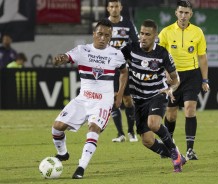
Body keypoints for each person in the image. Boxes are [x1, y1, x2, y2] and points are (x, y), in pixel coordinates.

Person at [51, 19, 128, 179]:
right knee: (57, 127)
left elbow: (124, 72)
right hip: (83, 99)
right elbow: (65, 57)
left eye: (107, 35)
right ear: (93, 34)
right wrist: (59, 59)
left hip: (103, 102)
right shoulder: (82, 50)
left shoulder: (116, 54)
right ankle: (63, 153)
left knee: (93, 129)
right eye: (100, 34)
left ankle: (81, 167)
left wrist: (119, 94)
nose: (103, 38)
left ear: (110, 36)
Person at [121, 19, 186, 172]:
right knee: (147, 141)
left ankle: (175, 154)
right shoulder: (131, 49)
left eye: (147, 34)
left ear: (155, 35)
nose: (143, 37)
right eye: (141, 34)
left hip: (157, 94)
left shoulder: (163, 53)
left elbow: (176, 79)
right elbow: (113, 58)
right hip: (139, 100)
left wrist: (171, 89)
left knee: (154, 124)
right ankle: (177, 156)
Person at [158, 0, 210, 160]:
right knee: (171, 114)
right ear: (176, 13)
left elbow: (202, 57)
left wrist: (205, 79)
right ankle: (169, 146)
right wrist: (164, 73)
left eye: (186, 13)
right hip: (173, 77)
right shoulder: (166, 32)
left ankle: (189, 150)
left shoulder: (197, 32)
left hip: (192, 76)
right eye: (181, 12)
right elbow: (159, 56)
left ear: (191, 14)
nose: (183, 16)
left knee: (189, 109)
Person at [106, 0, 139, 143]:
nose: (114, 9)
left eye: (116, 6)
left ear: (121, 8)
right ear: (108, 8)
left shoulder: (128, 23)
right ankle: (120, 134)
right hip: (109, 67)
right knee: (114, 99)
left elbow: (136, 42)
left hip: (125, 67)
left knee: (127, 100)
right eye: (111, 6)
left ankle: (132, 131)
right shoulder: (103, 24)